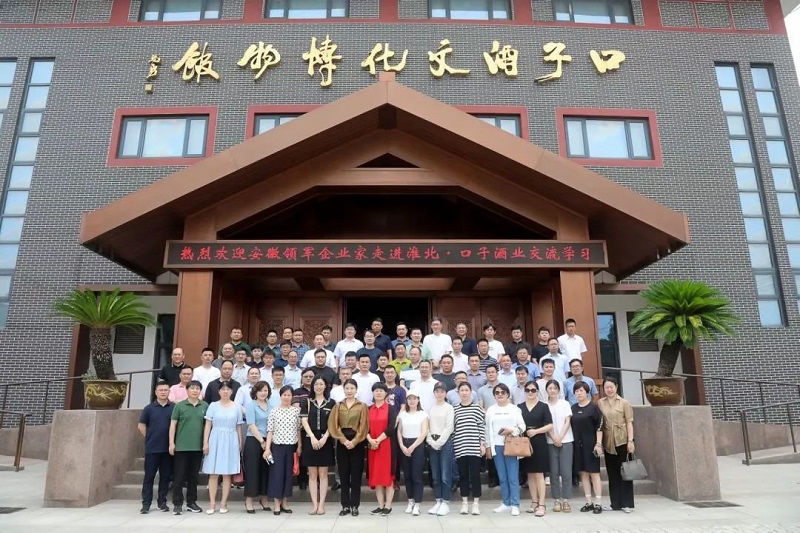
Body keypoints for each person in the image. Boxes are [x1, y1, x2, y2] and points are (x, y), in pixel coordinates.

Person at [328, 379, 369, 516]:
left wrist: (355, 441)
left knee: (356, 475)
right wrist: (343, 440)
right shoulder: (338, 406)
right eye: (347, 388)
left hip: (357, 442)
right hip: (342, 441)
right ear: (344, 390)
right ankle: (345, 505)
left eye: (352, 388)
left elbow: (364, 425)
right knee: (344, 474)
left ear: (356, 390)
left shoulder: (362, 406)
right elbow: (333, 424)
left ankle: (355, 505)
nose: (349, 391)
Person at [202, 381, 244, 514]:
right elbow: (208, 425)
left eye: (228, 389)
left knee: (227, 474)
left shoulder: (237, 407)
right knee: (213, 473)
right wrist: (205, 443)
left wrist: (240, 443)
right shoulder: (213, 406)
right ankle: (212, 503)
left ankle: (224, 503)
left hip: (231, 439)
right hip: (215, 438)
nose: (225, 392)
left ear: (232, 391)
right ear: (219, 391)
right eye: (223, 389)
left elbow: (238, 426)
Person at [484, 383, 526, 516]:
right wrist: (488, 446)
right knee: (502, 477)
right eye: (497, 393)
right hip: (497, 446)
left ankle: (515, 504)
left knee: (512, 476)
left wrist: (511, 430)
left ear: (508, 394)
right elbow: (487, 429)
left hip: (511, 445)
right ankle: (506, 503)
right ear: (494, 396)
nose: (500, 395)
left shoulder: (514, 409)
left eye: (503, 392)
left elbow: (522, 426)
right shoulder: (491, 410)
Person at [169, 380, 207, 515]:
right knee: (179, 477)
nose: (195, 391)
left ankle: (191, 502)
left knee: (193, 477)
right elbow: (173, 425)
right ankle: (177, 503)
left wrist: (205, 443)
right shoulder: (179, 406)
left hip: (197, 447)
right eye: (192, 388)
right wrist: (171, 443)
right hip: (181, 447)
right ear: (187, 390)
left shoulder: (205, 406)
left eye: (197, 388)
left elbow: (207, 426)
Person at [598, 377, 635, 513]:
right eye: (606, 387)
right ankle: (615, 503)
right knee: (612, 473)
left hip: (622, 440)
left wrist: (630, 441)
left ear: (616, 387)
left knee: (625, 472)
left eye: (611, 387)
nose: (609, 390)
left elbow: (629, 422)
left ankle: (627, 503)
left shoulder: (624, 403)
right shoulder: (600, 403)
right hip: (608, 441)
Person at [300, 376, 336, 515]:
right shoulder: (307, 402)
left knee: (323, 473)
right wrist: (313, 437)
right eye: (316, 384)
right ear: (312, 386)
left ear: (325, 386)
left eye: (321, 384)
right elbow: (304, 421)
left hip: (326, 439)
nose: (318, 387)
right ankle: (314, 504)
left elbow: (333, 422)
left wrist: (325, 437)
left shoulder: (331, 403)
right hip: (310, 439)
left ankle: (322, 505)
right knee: (312, 474)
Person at [264, 385, 302, 515]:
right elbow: (270, 431)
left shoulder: (296, 411)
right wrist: (267, 448)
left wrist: (300, 446)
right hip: (277, 446)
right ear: (280, 396)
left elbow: (298, 430)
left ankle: (285, 502)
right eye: (284, 395)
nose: (286, 397)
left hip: (291, 446)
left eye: (289, 395)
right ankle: (276, 503)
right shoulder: (274, 411)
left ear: (292, 397)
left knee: (288, 475)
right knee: (277, 474)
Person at [137, 381, 174, 514]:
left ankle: (162, 502)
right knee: (149, 477)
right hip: (152, 448)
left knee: (165, 477)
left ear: (169, 391)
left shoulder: (174, 407)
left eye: (166, 390)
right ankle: (146, 503)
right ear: (156, 392)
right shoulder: (149, 408)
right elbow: (141, 425)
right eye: (161, 390)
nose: (163, 392)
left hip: (167, 449)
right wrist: (149, 436)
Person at [519, 380, 553, 517]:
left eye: (533, 390)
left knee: (539, 473)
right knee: (530, 473)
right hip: (525, 441)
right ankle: (534, 502)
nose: (530, 392)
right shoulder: (519, 407)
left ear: (537, 392)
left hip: (539, 441)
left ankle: (542, 504)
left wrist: (537, 431)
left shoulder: (543, 406)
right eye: (528, 390)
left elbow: (550, 425)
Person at [571, 381, 604, 514]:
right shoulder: (572, 408)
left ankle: (598, 503)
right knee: (583, 473)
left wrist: (598, 444)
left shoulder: (593, 408)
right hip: (577, 445)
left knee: (594, 473)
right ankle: (589, 502)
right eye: (577, 391)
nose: (579, 393)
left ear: (587, 392)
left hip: (591, 444)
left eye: (581, 391)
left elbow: (599, 427)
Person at [453, 382, 485, 515]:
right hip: (460, 447)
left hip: (474, 447)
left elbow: (481, 427)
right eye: (462, 390)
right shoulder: (454, 409)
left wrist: (482, 444)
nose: (464, 393)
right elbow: (453, 429)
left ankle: (476, 503)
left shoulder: (477, 408)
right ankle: (464, 502)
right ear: (459, 392)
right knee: (463, 475)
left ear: (471, 392)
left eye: (467, 390)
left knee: (475, 475)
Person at [367, 382, 398, 515]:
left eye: (381, 390)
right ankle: (380, 505)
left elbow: (391, 428)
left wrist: (378, 440)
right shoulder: (369, 409)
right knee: (376, 475)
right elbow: (364, 427)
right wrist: (370, 440)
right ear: (373, 393)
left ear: (386, 393)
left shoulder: (391, 409)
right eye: (376, 390)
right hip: (372, 447)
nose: (378, 393)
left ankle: (388, 506)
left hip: (387, 446)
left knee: (388, 476)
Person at [397, 391, 429, 516]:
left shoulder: (423, 414)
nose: (412, 401)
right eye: (409, 398)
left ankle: (417, 504)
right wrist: (402, 445)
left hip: (417, 445)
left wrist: (413, 446)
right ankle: (410, 501)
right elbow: (399, 431)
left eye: (414, 398)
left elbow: (424, 432)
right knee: (407, 475)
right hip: (404, 445)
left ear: (418, 400)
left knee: (417, 476)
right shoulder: (403, 414)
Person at [545, 379, 574, 513]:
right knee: (554, 472)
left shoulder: (565, 404)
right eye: (550, 388)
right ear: (546, 390)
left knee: (566, 472)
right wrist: (554, 438)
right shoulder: (544, 405)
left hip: (566, 440)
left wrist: (560, 437)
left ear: (558, 390)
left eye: (555, 388)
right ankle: (556, 499)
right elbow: (546, 424)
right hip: (550, 442)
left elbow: (567, 421)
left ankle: (566, 500)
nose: (552, 391)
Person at [426, 383, 455, 516]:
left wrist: (439, 442)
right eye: (437, 391)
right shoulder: (431, 408)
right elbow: (427, 427)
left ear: (445, 393)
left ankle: (445, 502)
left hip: (444, 442)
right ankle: (438, 500)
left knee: (445, 475)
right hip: (432, 442)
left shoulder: (449, 408)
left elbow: (449, 427)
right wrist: (431, 441)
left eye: (442, 391)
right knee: (436, 475)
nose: (439, 394)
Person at [243, 381, 272, 513]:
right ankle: (249, 500)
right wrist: (261, 441)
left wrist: (267, 443)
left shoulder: (271, 406)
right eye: (260, 390)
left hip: (268, 441)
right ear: (255, 392)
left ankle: (264, 499)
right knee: (252, 471)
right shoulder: (251, 405)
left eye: (265, 390)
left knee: (265, 470)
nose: (263, 393)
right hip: (254, 440)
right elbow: (251, 424)